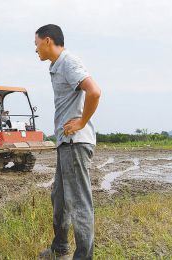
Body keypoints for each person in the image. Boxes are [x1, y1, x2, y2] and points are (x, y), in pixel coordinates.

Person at [35, 24, 101, 260]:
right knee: (59, 198)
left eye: (36, 44)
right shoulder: (56, 66)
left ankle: (84, 257)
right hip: (66, 143)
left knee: (79, 202)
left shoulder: (69, 62)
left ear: (48, 41)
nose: (35, 50)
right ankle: (60, 248)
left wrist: (82, 122)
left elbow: (94, 91)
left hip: (76, 142)